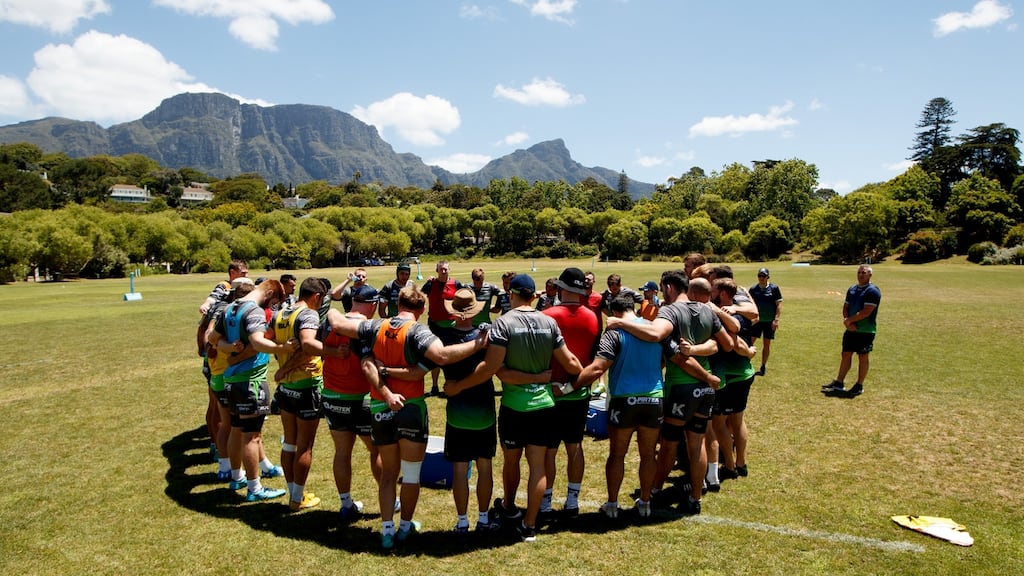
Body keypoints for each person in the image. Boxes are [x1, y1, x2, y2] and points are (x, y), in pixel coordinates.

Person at [327, 285, 485, 550]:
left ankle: (387, 530)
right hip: (411, 409)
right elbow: (443, 356)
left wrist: (331, 308)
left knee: (388, 473)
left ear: (395, 303)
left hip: (380, 407)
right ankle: (404, 528)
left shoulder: (375, 325)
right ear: (421, 310)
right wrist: (478, 343)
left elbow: (339, 324)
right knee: (410, 475)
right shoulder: (419, 331)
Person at [445, 274, 583, 543]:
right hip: (544, 405)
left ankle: (509, 509)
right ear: (534, 296)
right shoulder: (549, 322)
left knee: (512, 462)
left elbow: (491, 369)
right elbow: (573, 365)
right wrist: (557, 381)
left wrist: (460, 386)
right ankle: (530, 526)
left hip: (514, 407)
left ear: (511, 295)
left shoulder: (504, 323)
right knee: (538, 468)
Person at [606, 271, 731, 516]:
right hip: (706, 388)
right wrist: (699, 349)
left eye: (663, 289)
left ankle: (653, 492)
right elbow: (724, 344)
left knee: (668, 446)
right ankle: (695, 498)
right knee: (696, 444)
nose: (663, 294)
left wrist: (620, 322)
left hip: (681, 385)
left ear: (670, 287)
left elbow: (655, 334)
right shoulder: (706, 310)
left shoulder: (671, 311)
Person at [575, 294, 664, 519]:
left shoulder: (614, 332)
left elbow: (598, 368)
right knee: (648, 455)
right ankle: (645, 503)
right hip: (654, 398)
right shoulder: (655, 329)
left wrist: (570, 386)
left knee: (617, 454)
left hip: (624, 399)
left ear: (613, 312)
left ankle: (612, 504)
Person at [209, 279, 293, 502]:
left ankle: (237, 477)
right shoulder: (254, 310)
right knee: (252, 436)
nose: (270, 308)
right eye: (273, 302)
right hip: (251, 381)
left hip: (231, 378)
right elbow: (257, 342)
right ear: (269, 293)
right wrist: (282, 348)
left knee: (237, 429)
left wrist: (229, 348)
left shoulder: (230, 308)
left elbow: (213, 339)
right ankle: (255, 488)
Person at [437, 288, 501, 534]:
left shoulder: (442, 336)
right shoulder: (486, 336)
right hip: (484, 411)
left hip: (457, 414)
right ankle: (483, 519)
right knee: (485, 467)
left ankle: (462, 521)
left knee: (460, 469)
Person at [321, 283, 383, 523]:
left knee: (342, 452)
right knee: (375, 450)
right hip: (361, 399)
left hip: (332, 396)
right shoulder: (365, 327)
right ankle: (389, 498)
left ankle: (345, 503)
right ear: (373, 305)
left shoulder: (331, 321)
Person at [540, 267, 599, 518]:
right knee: (575, 447)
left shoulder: (547, 315)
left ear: (561, 289)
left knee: (548, 450)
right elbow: (594, 356)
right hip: (579, 392)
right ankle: (573, 500)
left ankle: (545, 501)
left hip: (550, 392)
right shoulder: (593, 317)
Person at [267, 277, 328, 511]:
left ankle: (293, 493)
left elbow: (267, 339)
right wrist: (284, 368)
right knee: (305, 446)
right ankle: (297, 499)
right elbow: (307, 347)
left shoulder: (282, 312)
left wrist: (280, 359)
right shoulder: (309, 314)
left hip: (286, 390)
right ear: (316, 297)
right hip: (306, 385)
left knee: (289, 444)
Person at [710, 278, 757, 482]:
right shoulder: (741, 311)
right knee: (738, 420)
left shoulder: (723, 315)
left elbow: (734, 342)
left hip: (727, 376)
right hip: (745, 373)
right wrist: (749, 353)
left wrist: (746, 352)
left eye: (713, 290)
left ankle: (729, 466)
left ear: (721, 294)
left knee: (719, 422)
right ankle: (741, 463)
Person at [822, 265, 880, 397]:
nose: (860, 275)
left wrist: (849, 321)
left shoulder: (873, 291)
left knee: (863, 356)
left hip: (865, 330)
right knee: (845, 354)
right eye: (859, 272)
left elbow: (866, 312)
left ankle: (859, 385)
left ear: (870, 275)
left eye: (864, 273)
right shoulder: (852, 289)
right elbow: (845, 307)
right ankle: (839, 382)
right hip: (851, 329)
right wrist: (847, 321)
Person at [421, 260, 463, 396]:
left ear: (449, 269)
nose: (443, 271)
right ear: (437, 271)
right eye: (441, 269)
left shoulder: (456, 284)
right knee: (435, 357)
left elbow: (464, 299)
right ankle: (434, 386)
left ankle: (450, 385)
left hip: (452, 326)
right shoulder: (430, 284)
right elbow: (420, 296)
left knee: (451, 358)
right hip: (435, 325)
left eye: (445, 269)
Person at [748, 267, 782, 375]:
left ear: (768, 277)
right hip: (756, 321)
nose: (761, 278)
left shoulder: (774, 288)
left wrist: (776, 319)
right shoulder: (753, 289)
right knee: (749, 343)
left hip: (769, 322)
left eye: (763, 276)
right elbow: (749, 304)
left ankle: (763, 366)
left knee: (766, 344)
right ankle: (745, 363)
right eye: (759, 276)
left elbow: (779, 304)